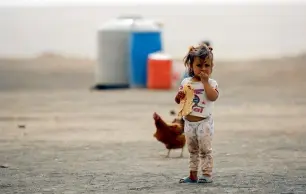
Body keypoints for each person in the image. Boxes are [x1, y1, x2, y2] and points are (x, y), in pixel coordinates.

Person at [175, 44, 219, 183]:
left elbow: (213, 97)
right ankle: (193, 174)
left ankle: (206, 174)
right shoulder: (186, 82)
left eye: (207, 65)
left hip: (204, 122)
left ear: (212, 67)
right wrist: (179, 95)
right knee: (192, 150)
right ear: (191, 67)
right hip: (189, 122)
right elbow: (180, 101)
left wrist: (205, 82)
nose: (203, 69)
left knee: (205, 149)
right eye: (199, 65)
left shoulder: (211, 83)